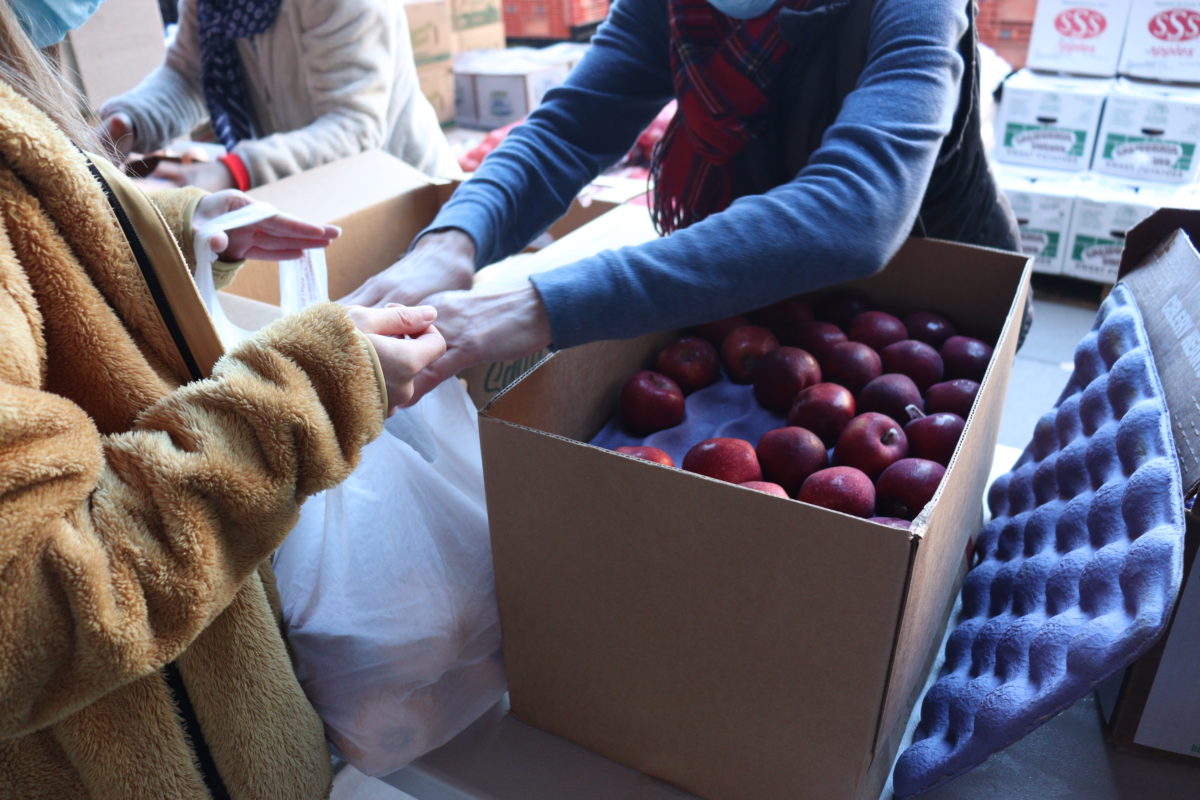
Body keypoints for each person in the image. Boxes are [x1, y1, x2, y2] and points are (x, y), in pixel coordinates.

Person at [0, 2, 446, 797]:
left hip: (369, 191)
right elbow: (32, 604)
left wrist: (164, 227)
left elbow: (40, 248)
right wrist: (311, 390)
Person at [344, 0, 1024, 402]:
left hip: (925, 313)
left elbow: (857, 209)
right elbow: (571, 128)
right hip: (751, 293)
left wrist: (537, 306)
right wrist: (451, 243)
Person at [98, 0, 458, 191]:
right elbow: (189, 76)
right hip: (305, 185)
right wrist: (130, 120)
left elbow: (354, 128)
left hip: (403, 190)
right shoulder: (211, 5)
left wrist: (236, 169)